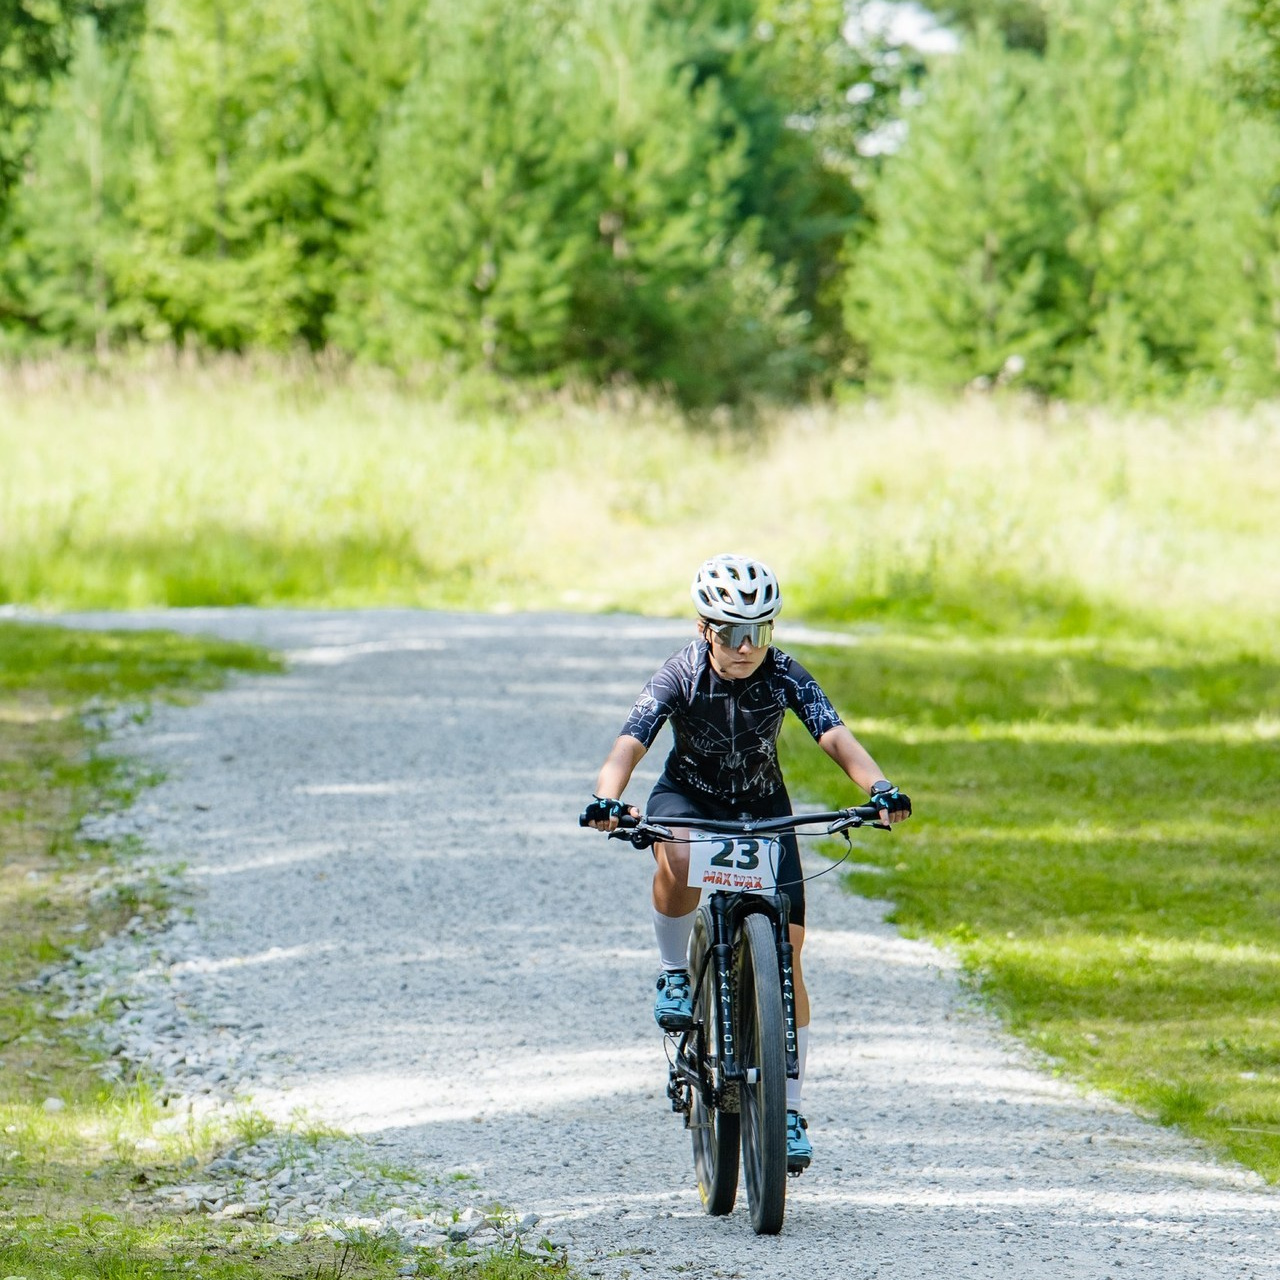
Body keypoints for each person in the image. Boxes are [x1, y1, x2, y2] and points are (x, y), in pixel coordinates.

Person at [581, 553, 910, 1172]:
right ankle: (675, 970)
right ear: (706, 630)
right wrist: (608, 797)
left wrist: (879, 789)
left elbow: (833, 735)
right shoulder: (678, 674)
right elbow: (629, 743)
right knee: (674, 857)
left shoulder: (784, 674)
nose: (745, 646)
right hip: (691, 799)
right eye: (732, 633)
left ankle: (787, 1109)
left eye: (759, 632)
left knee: (789, 950)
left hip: (761, 807)